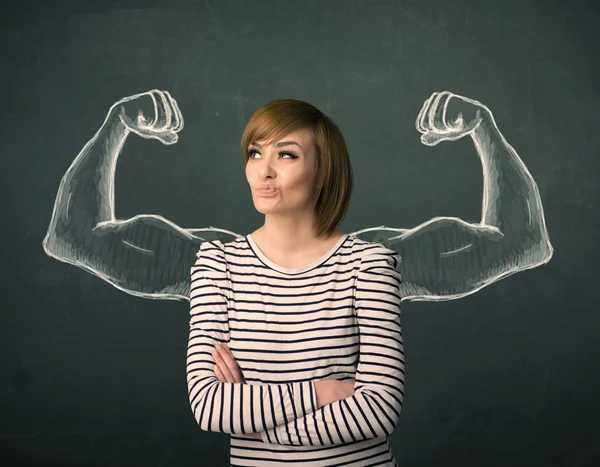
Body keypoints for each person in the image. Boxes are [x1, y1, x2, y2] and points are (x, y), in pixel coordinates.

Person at [187, 99, 404, 466]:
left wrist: (255, 423)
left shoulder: (367, 265)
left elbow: (379, 409)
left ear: (322, 170)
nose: (264, 171)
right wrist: (324, 392)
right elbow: (209, 407)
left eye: (286, 155)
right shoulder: (217, 264)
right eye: (255, 154)